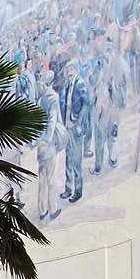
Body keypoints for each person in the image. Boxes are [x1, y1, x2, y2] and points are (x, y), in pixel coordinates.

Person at [60, 61, 91, 203]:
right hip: (67, 126)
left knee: (77, 160)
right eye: (67, 69)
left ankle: (78, 190)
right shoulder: (67, 84)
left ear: (76, 70)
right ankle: (68, 188)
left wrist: (78, 122)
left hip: (76, 126)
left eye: (71, 69)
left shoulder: (81, 83)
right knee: (68, 158)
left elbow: (87, 104)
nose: (69, 72)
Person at [36, 70, 63, 222]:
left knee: (42, 177)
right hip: (49, 144)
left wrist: (38, 142)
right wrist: (47, 139)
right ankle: (52, 208)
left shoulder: (40, 100)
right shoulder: (53, 98)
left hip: (41, 144)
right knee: (51, 177)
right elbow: (52, 121)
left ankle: (42, 210)